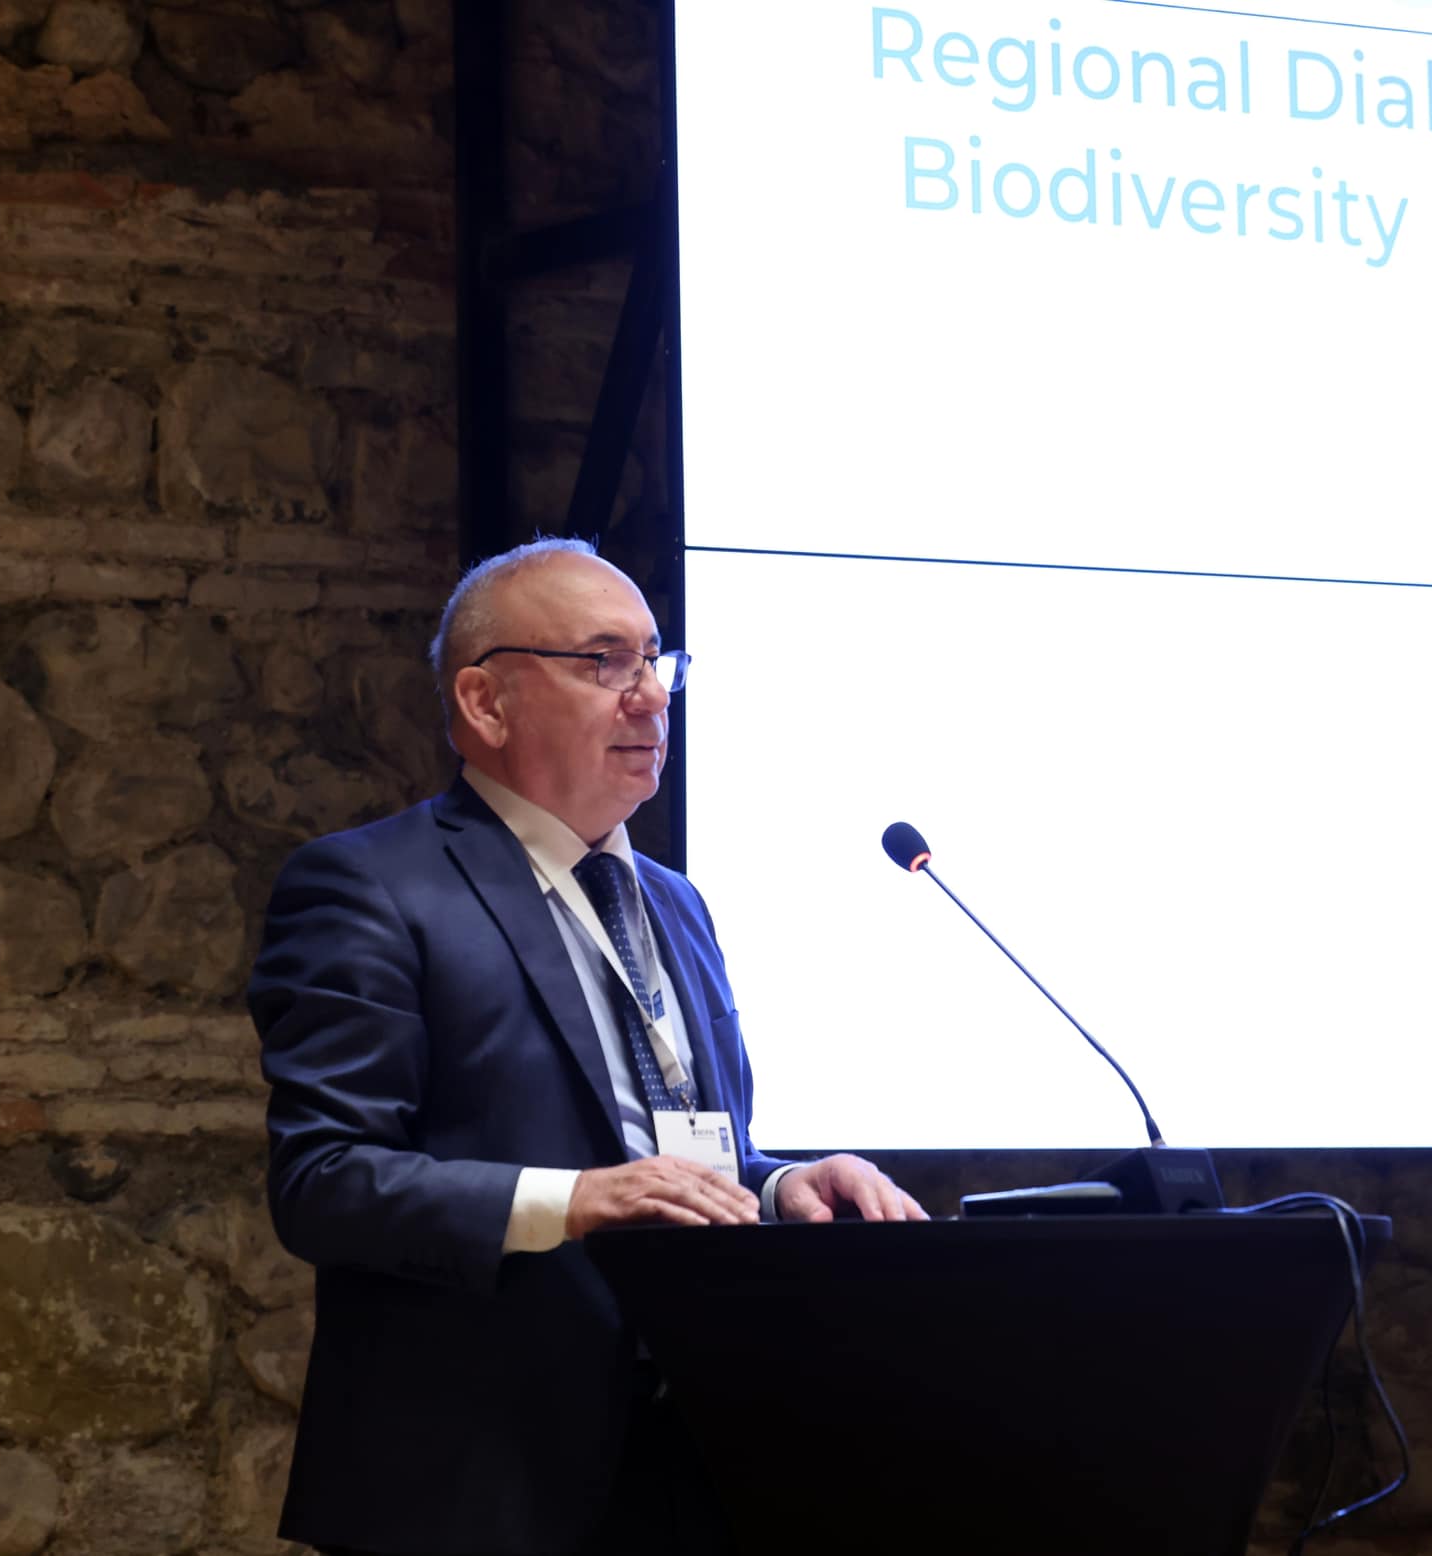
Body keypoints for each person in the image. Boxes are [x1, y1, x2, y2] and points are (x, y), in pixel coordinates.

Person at [250, 538, 925, 1556]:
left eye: (656, 660)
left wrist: (782, 1183)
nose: (650, 697)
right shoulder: (368, 888)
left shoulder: (675, 903)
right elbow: (325, 1180)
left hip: (698, 1462)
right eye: (605, 662)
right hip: (479, 1491)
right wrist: (573, 1200)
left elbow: (677, 1155)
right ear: (485, 701)